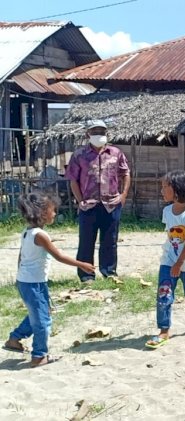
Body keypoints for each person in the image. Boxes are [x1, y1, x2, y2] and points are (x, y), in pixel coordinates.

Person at [3, 192, 95, 367]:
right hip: (33, 284)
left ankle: (14, 339)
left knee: (40, 313)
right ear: (42, 213)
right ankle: (39, 356)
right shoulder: (40, 235)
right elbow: (59, 256)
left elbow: (21, 256)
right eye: (53, 210)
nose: (54, 214)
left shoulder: (27, 232)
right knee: (43, 321)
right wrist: (82, 264)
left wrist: (19, 276)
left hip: (28, 281)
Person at [65, 120, 131, 283]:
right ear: (88, 134)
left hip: (111, 204)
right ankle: (86, 275)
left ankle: (109, 272)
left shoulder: (116, 153)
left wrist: (123, 196)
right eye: (95, 132)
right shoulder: (79, 155)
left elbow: (126, 174)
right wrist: (80, 201)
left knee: (110, 241)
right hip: (89, 205)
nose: (98, 135)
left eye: (101, 131)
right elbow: (73, 180)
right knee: (86, 241)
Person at [145, 170, 185, 350]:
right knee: (164, 295)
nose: (161, 191)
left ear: (177, 189)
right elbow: (171, 238)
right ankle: (164, 330)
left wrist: (179, 264)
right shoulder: (166, 211)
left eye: (165, 187)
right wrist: (172, 262)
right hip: (168, 261)